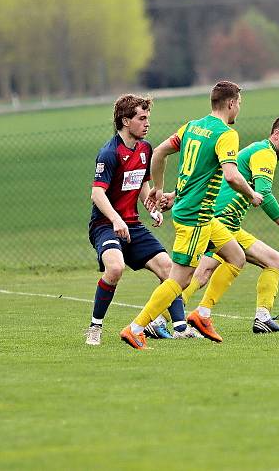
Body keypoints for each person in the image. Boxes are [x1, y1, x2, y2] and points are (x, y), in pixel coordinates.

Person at [119, 81, 263, 349]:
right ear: (231, 103)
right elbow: (231, 176)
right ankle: (136, 328)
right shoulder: (226, 134)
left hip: (201, 214)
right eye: (239, 103)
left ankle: (203, 314)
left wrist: (161, 189)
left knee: (235, 257)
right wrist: (251, 194)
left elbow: (160, 151)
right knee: (180, 279)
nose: (239, 108)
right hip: (196, 217)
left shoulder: (192, 127)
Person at [86, 94, 201, 345]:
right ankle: (95, 327)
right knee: (115, 269)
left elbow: (140, 184)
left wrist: (152, 208)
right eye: (142, 118)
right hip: (106, 226)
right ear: (126, 121)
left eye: (148, 118)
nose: (147, 123)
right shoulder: (109, 152)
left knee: (169, 269)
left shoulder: (145, 149)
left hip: (133, 225)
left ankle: (180, 328)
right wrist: (117, 220)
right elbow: (97, 193)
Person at [178, 116, 279, 333]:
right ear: (276, 135)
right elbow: (264, 193)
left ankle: (261, 318)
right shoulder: (265, 153)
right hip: (220, 219)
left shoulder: (260, 149)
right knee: (203, 270)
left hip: (229, 223)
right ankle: (168, 318)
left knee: (273, 261)